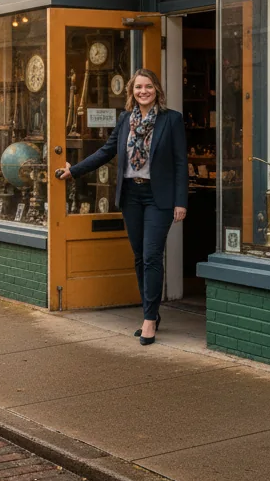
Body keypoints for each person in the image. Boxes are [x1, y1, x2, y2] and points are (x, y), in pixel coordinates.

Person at [57, 67, 187, 344]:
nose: (143, 91)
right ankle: (150, 310)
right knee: (140, 257)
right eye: (138, 87)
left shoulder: (171, 120)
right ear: (132, 92)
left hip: (158, 197)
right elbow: (106, 151)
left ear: (157, 90)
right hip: (131, 195)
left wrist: (181, 201)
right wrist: (74, 171)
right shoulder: (125, 120)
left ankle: (149, 321)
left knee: (152, 255)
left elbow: (179, 163)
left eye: (148, 87)